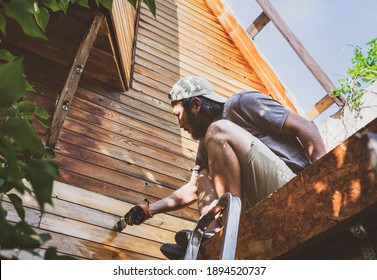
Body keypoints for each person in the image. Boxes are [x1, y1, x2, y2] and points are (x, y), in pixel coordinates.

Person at [122, 76, 326, 259]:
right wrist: (149, 210)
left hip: (293, 187)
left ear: (195, 105)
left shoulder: (241, 104)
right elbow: (193, 189)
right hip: (258, 203)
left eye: (178, 115)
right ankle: (214, 237)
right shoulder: (205, 143)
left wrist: (324, 179)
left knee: (218, 131)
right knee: (202, 175)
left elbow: (306, 128)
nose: (180, 125)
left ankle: (229, 226)